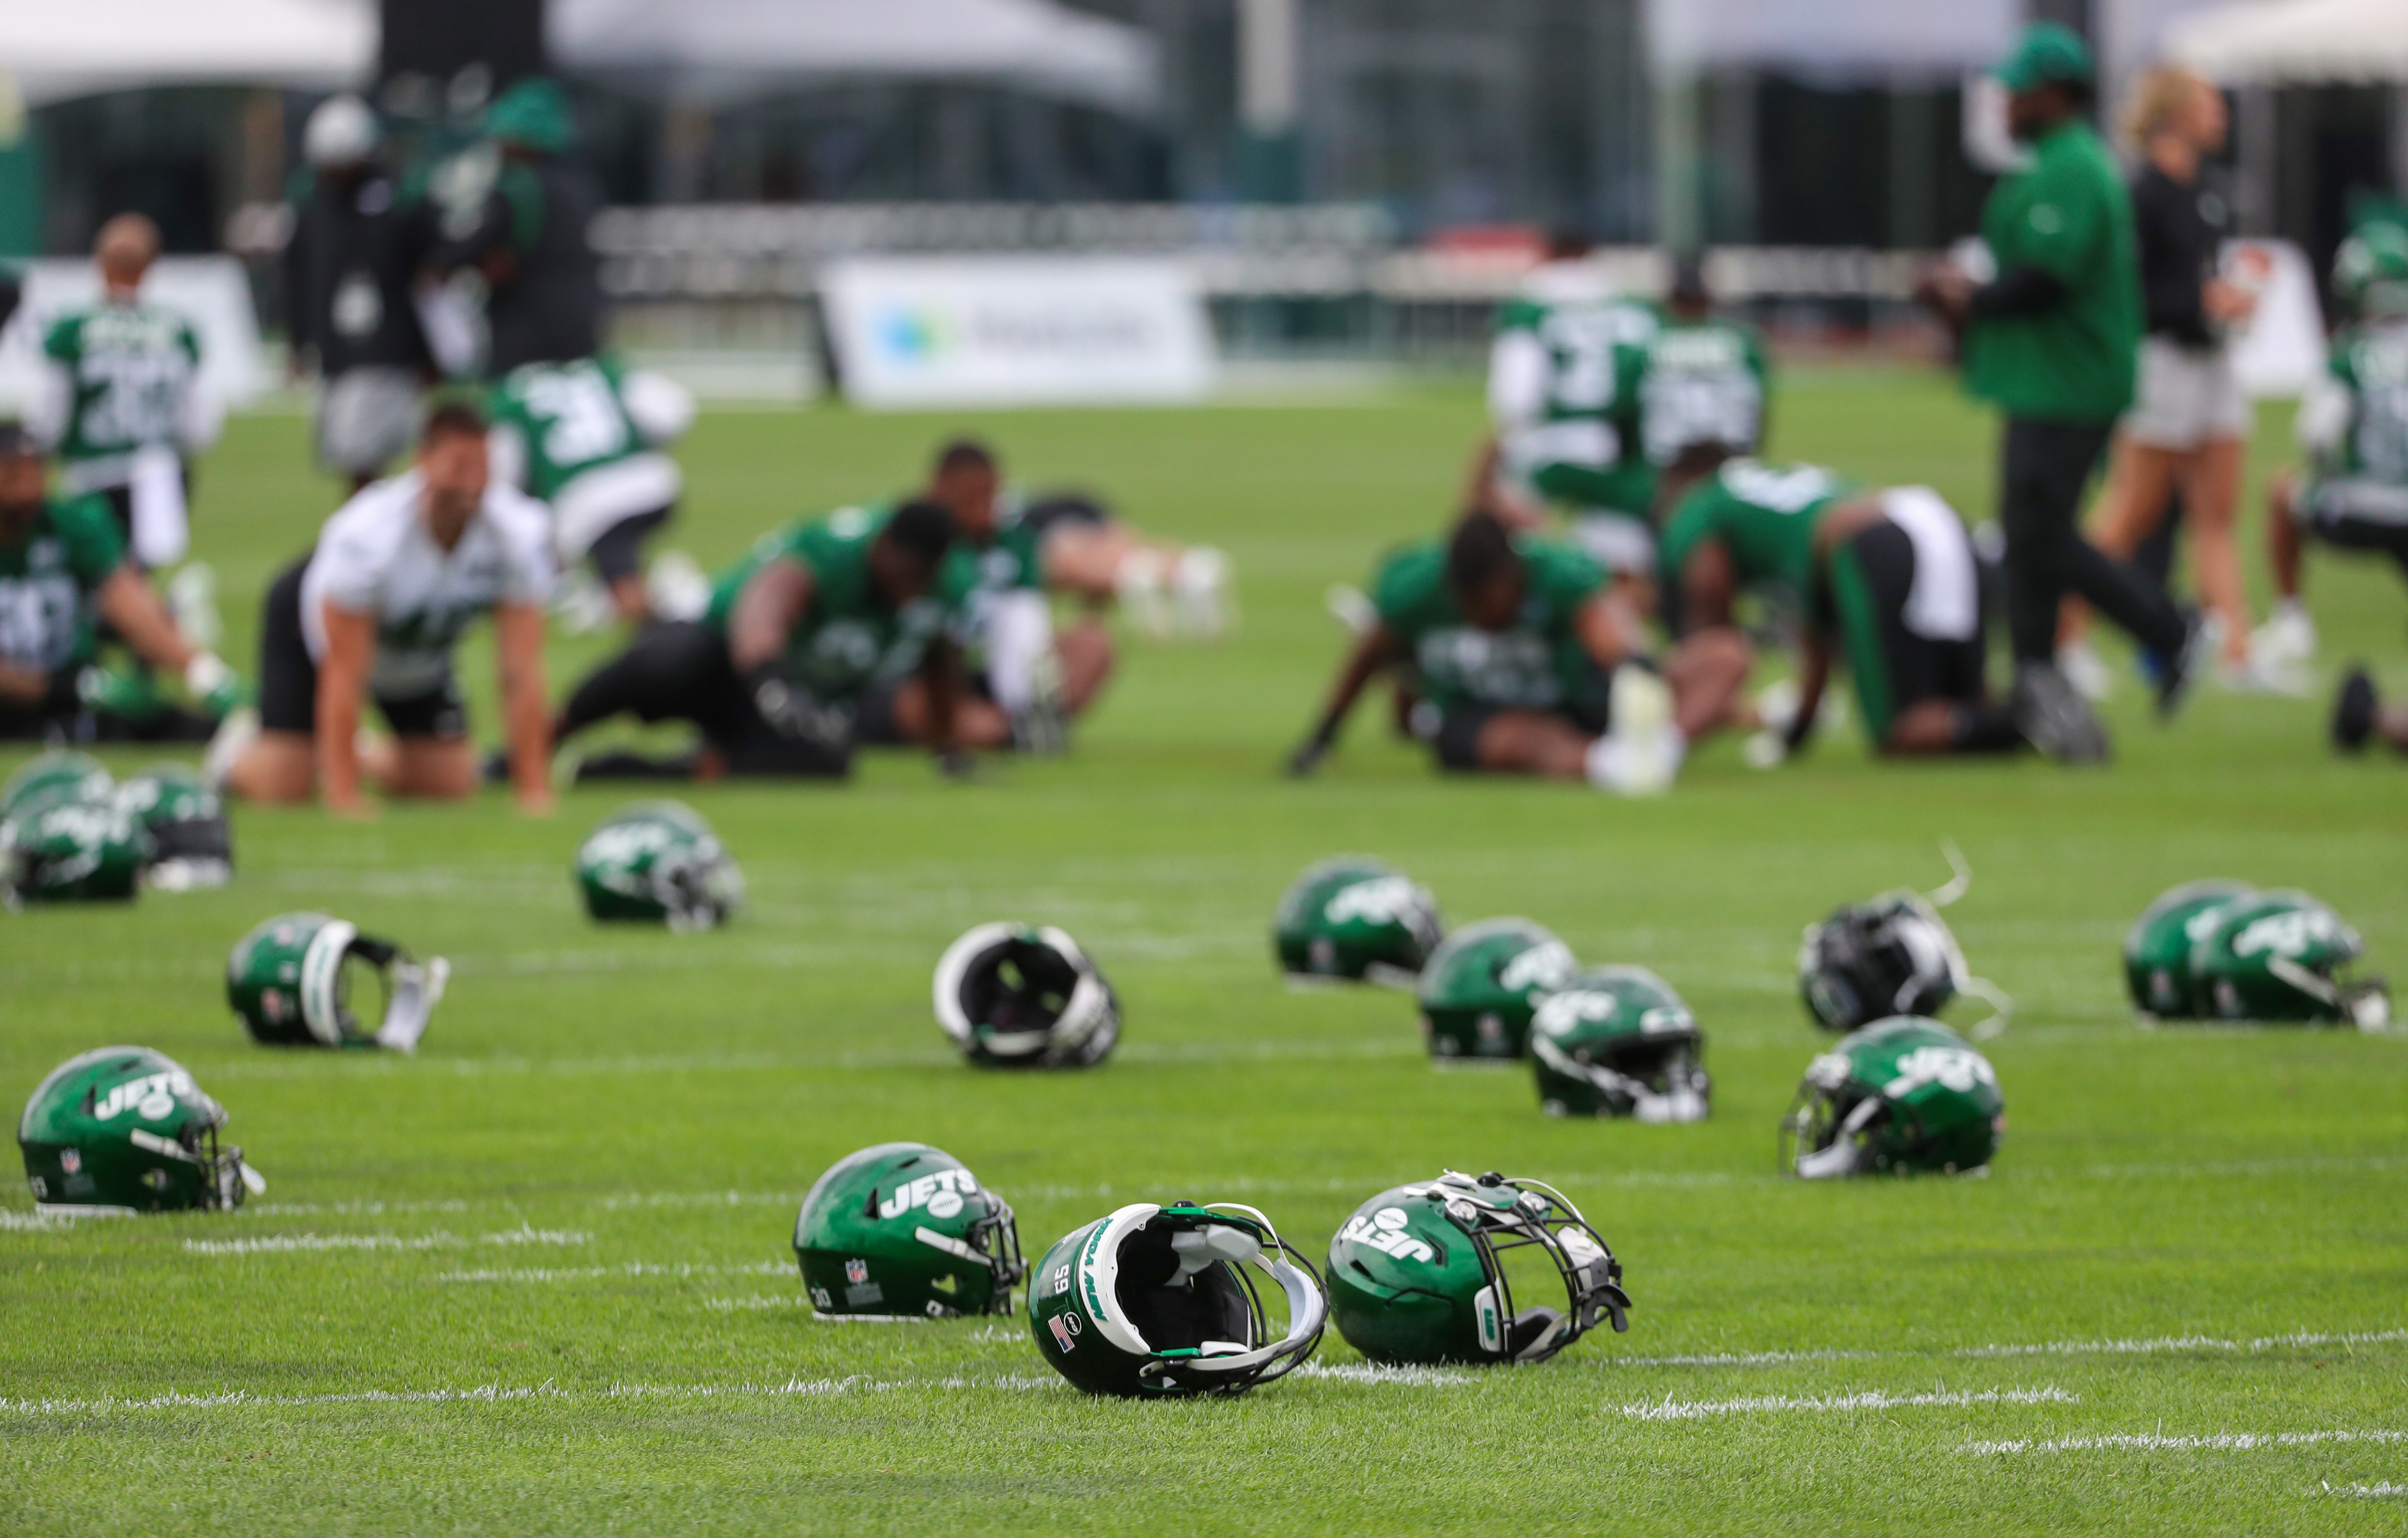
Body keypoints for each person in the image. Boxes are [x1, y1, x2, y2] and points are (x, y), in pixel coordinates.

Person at [1917, 23, 2197, 763]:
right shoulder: (2044, 162)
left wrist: (1966, 297)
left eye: (2019, 90)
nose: (2006, 102)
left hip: (2070, 376)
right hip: (2039, 375)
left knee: (2037, 531)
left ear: (2055, 95)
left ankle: (2163, 626)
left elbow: (2046, 277)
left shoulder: (2073, 166)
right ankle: (2040, 681)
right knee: (2030, 532)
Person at [214, 403, 554, 817]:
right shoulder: (369, 537)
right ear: (423, 461)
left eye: (482, 468)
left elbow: (521, 669)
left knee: (452, 783)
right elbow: (344, 671)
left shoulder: (517, 533)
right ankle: (236, 754)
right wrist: (344, 796)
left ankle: (357, 751)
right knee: (283, 786)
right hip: (315, 632)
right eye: (459, 467)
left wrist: (534, 788)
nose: (472, 483)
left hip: (415, 652)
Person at [2058, 66, 2273, 694]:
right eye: (2208, 106)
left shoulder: (2204, 189)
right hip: (2164, 363)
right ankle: (2064, 641)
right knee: (2129, 512)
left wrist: (2236, 294)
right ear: (2175, 113)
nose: (2220, 117)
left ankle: (2238, 651)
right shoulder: (2140, 192)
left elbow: (2198, 276)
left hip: (2212, 361)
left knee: (2218, 512)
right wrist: (2207, 303)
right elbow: (2139, 294)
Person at [1285, 511, 1747, 794]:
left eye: (1489, 601)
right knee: (1528, 738)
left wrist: (1637, 677)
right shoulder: (1416, 589)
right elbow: (1366, 656)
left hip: (1576, 697)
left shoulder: (1557, 572)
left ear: (1513, 574)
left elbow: (1610, 635)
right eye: (1469, 606)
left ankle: (1658, 752)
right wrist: (1322, 737)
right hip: (1480, 715)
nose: (1482, 617)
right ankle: (1614, 766)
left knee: (1727, 655)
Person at [546, 500, 969, 781]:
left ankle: (632, 773)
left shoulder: (940, 590)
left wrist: (947, 746)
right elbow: (764, 606)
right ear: (883, 547)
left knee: (826, 760)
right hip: (721, 655)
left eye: (921, 579)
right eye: (906, 573)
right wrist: (771, 682)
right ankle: (540, 740)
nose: (909, 589)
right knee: (662, 662)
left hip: (785, 697)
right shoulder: (836, 552)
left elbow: (941, 662)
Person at [1658, 451, 2024, 761]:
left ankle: (2031, 722)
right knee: (1967, 699)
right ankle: (2027, 714)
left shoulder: (1696, 505)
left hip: (1871, 541)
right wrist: (1798, 730)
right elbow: (1816, 635)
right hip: (1935, 519)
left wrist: (1707, 651)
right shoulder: (1761, 489)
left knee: (1901, 732)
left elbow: (1710, 582)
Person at [0, 422, 242, 742]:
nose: (28, 490)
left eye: (36, 473)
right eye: (13, 476)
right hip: (29, 702)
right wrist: (74, 689)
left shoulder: (68, 525)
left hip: (74, 699)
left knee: (199, 731)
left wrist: (205, 675)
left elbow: (131, 603)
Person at [29, 214, 221, 570]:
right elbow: (200, 427)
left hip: (89, 471)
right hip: (157, 473)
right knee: (139, 581)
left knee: (95, 577)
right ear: (150, 266)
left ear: (101, 263)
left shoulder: (73, 330)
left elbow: (49, 417)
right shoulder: (178, 330)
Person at [1464, 230, 1661, 577]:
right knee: (1618, 564)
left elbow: (1516, 394)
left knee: (1507, 542)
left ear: (1549, 254)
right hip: (1614, 446)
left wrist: (1510, 437)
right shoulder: (1630, 304)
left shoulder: (1534, 300)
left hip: (1548, 443)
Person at [2266, 217, 2408, 669]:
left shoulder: (2349, 353)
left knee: (2281, 488)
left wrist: (2334, 476)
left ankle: (2291, 618)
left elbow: (2315, 433)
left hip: (2355, 508)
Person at [284, 95, 438, 493]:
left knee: (369, 453)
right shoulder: (311, 202)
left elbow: (429, 276)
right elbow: (297, 275)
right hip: (336, 348)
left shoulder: (401, 197)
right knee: (350, 454)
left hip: (389, 345)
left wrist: (430, 352)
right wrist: (298, 341)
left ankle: (377, 534)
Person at [486, 355, 695, 629]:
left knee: (625, 591)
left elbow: (503, 476)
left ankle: (671, 617)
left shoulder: (510, 399)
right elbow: (672, 413)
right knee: (609, 556)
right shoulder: (599, 371)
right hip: (653, 483)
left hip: (588, 505)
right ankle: (609, 592)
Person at [430, 77, 604, 376]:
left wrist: (438, 263)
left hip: (528, 327)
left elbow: (474, 245)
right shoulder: (578, 187)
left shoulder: (517, 186)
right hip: (581, 325)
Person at [1641, 256, 1772, 472]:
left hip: (1666, 457)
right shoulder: (1741, 340)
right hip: (1730, 452)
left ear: (1672, 300)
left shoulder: (1649, 342)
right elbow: (1757, 405)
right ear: (1709, 300)